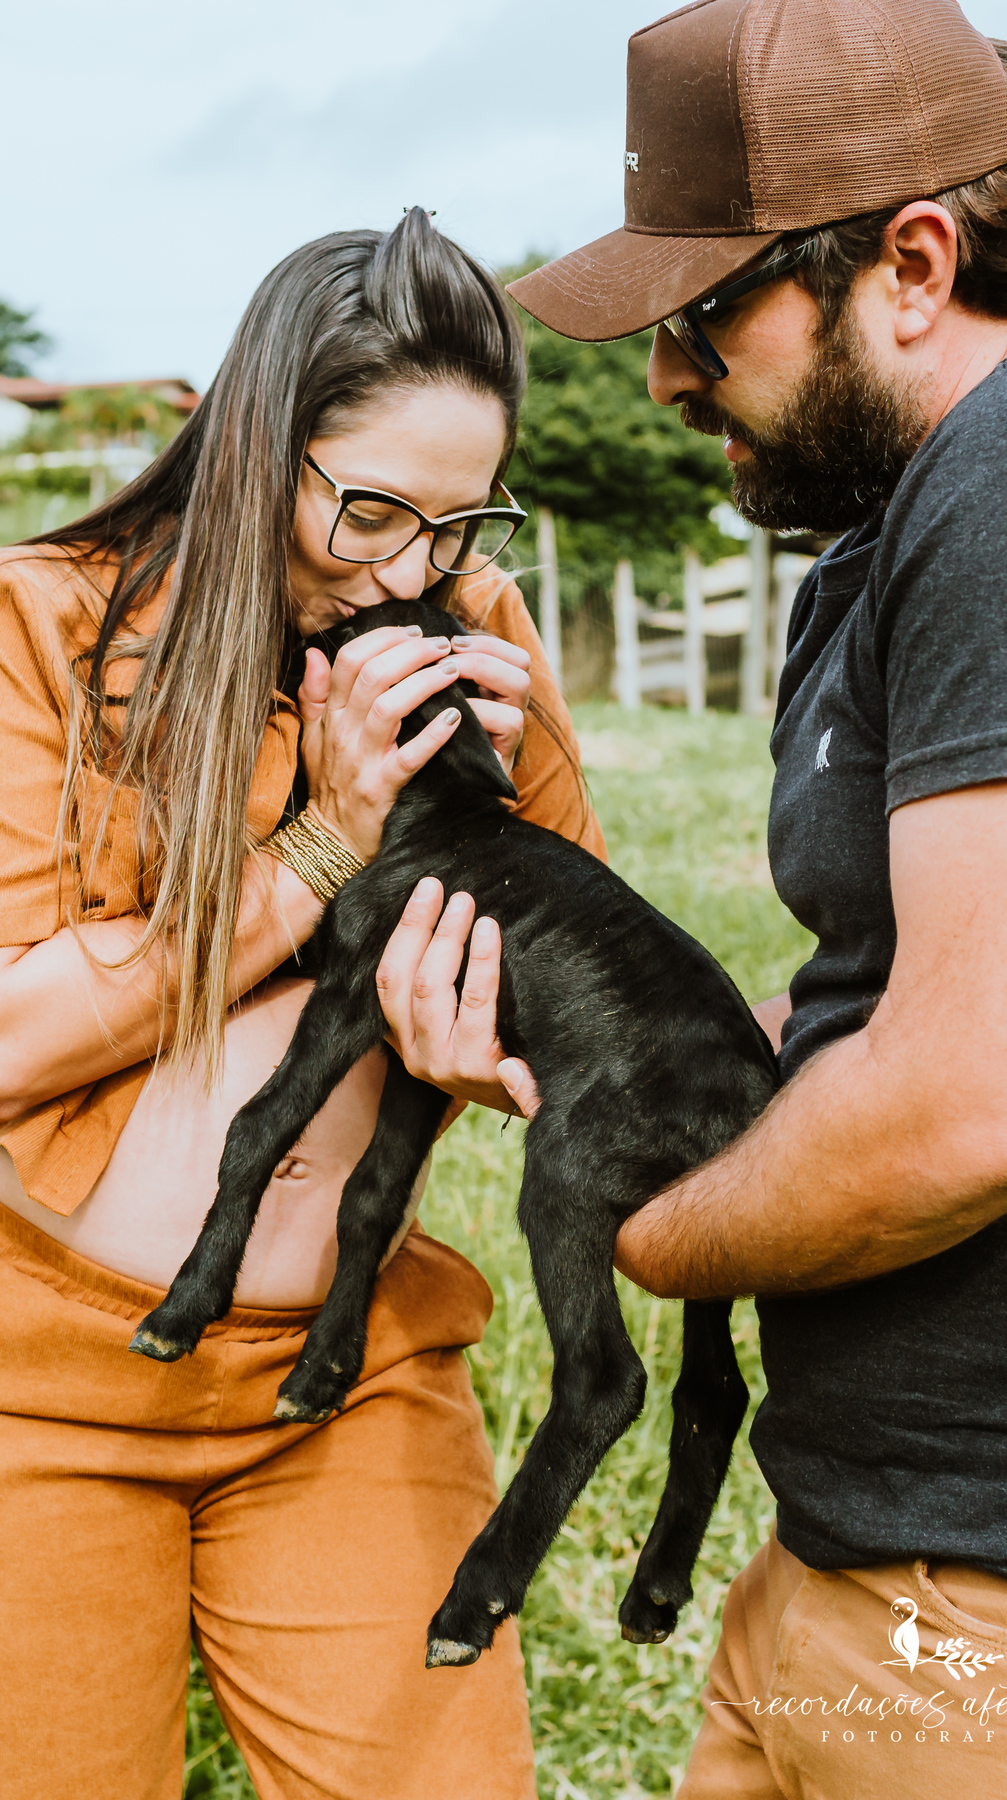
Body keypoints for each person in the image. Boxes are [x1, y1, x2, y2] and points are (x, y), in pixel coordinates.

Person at [382, 2, 1007, 1793]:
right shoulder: (899, 529)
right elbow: (929, 985)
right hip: (865, 1564)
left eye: (699, 319)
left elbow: (982, 1102)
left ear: (912, 264)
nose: (667, 380)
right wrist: (649, 1054)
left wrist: (637, 1221)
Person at [0, 207, 604, 1800]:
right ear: (255, 442)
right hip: (35, 1387)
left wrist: (490, 1041)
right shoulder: (40, 628)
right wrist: (326, 839)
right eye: (374, 513)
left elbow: (568, 968)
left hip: (344, 1372)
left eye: (460, 525)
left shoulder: (474, 636)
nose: (414, 570)